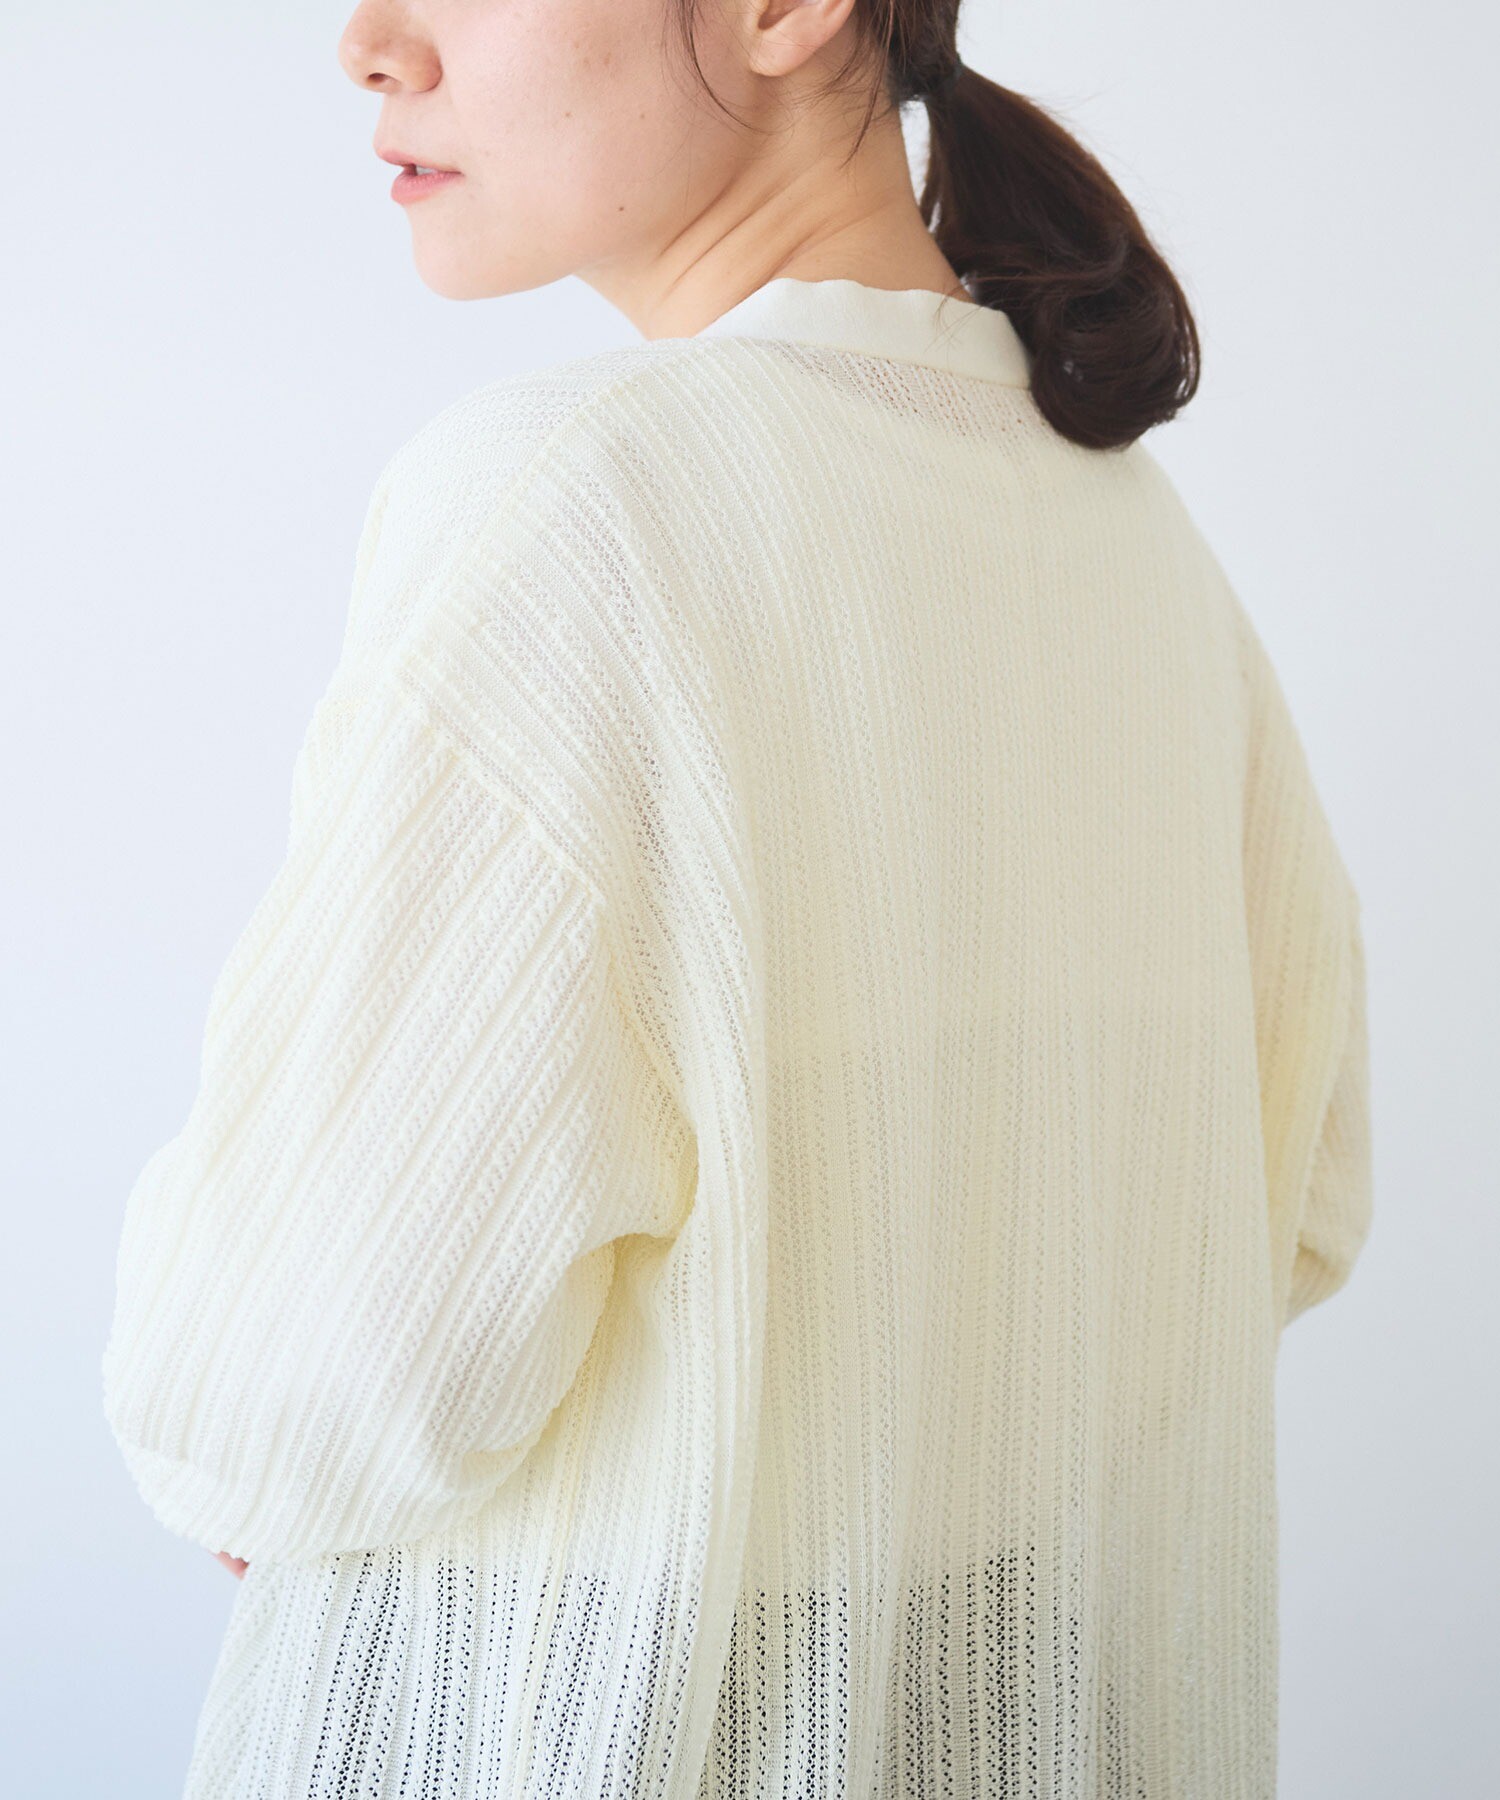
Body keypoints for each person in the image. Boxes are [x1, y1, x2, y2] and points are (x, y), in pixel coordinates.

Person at [100, 1, 1373, 1795]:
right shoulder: (1137, 541)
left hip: (583, 1722)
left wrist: (251, 1447)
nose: (369, 42)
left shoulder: (578, 500)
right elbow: (1290, 1201)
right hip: (1018, 1714)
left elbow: (305, 1371)